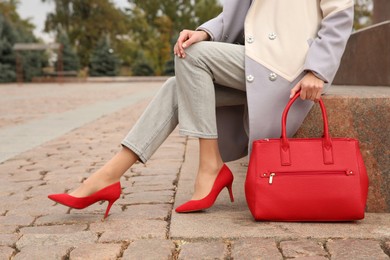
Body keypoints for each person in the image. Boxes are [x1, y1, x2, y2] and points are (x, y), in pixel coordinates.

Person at [48, 0, 355, 219]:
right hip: (255, 55)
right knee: (176, 84)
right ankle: (107, 177)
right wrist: (204, 33)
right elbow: (236, 16)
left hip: (289, 65)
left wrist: (318, 70)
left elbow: (340, 15)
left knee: (193, 56)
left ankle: (210, 165)